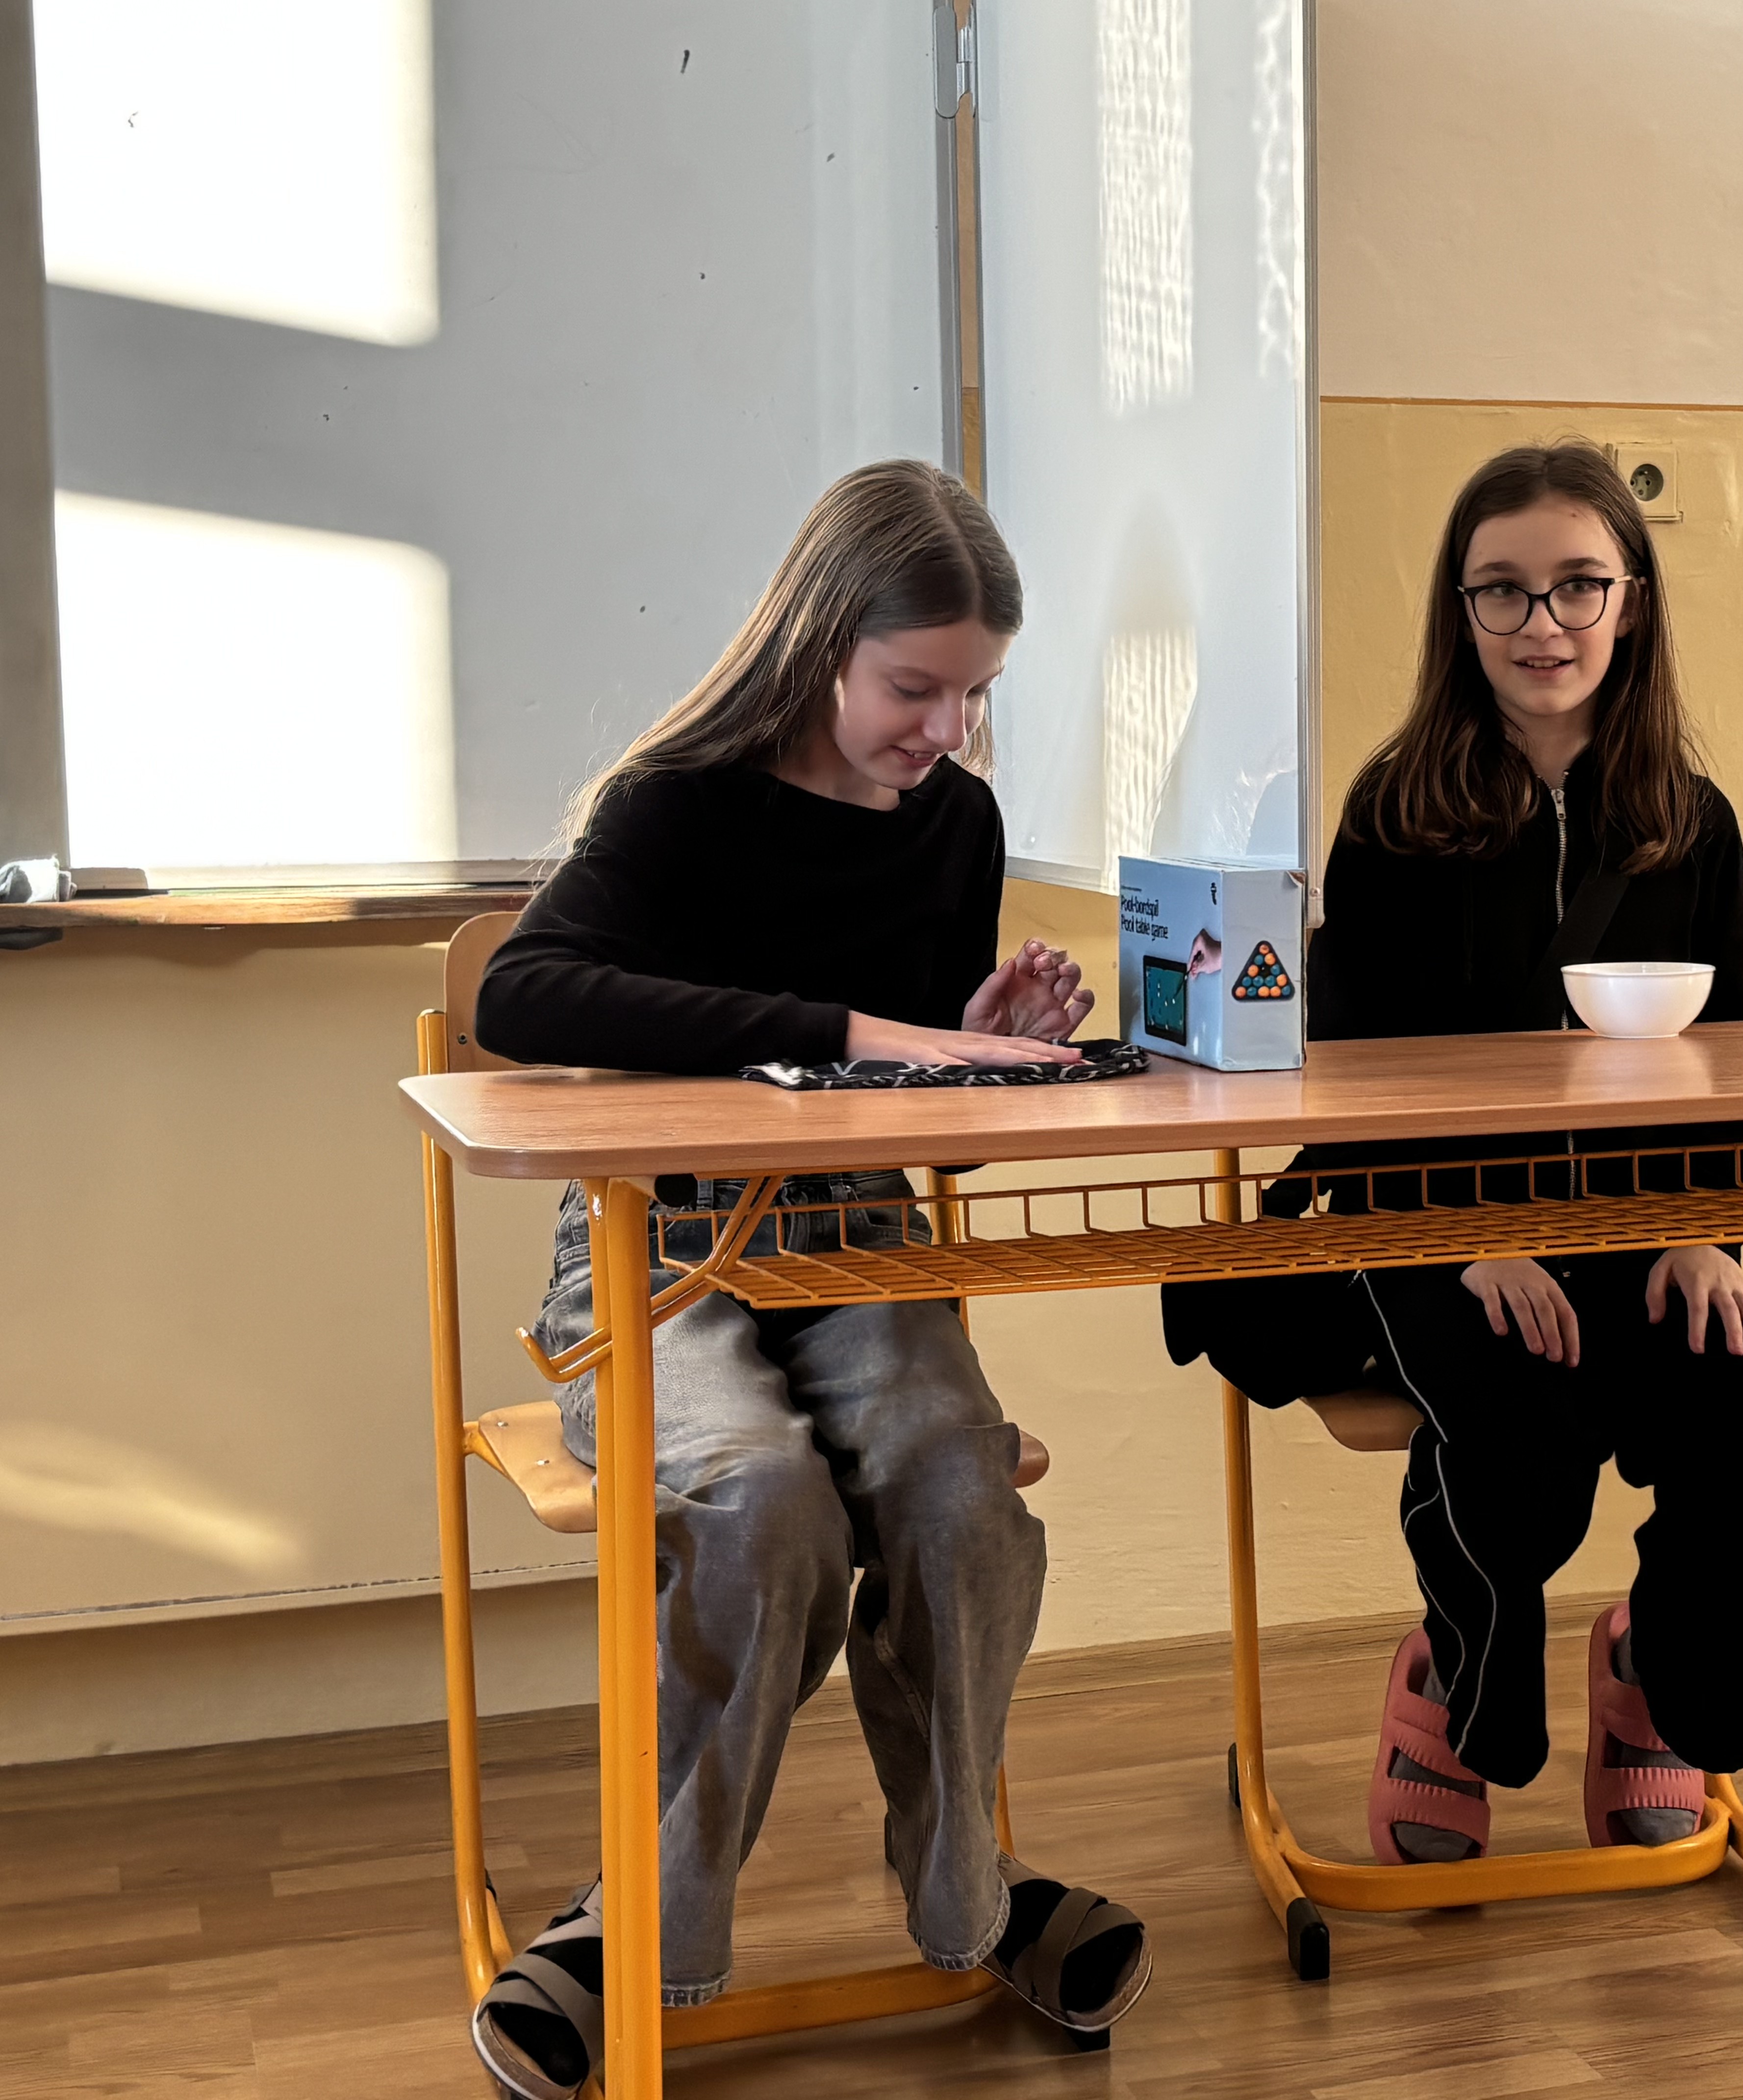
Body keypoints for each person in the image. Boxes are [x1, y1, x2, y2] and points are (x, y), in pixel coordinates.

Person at [466, 460, 1148, 2097]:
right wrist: (858, 1030)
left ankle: (971, 1891)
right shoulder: (677, 801)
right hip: (654, 1241)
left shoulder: (955, 821)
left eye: (975, 695)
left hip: (851, 1229)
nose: (946, 731)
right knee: (766, 1502)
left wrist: (974, 1043)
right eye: (915, 688)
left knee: (957, 1485)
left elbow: (903, 1090)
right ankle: (642, 1922)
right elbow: (522, 994)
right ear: (821, 640)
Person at [1163, 442, 1743, 1868]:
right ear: (1460, 610)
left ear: (1632, 600)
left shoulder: (1691, 822)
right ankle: (1457, 1687)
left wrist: (1705, 1233)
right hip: (1434, 1227)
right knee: (1521, 1444)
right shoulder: (1395, 815)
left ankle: (1654, 1667)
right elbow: (1353, 1082)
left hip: (1643, 1232)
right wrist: (1472, 1237)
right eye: (1504, 591)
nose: (1543, 624)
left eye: (1578, 585)